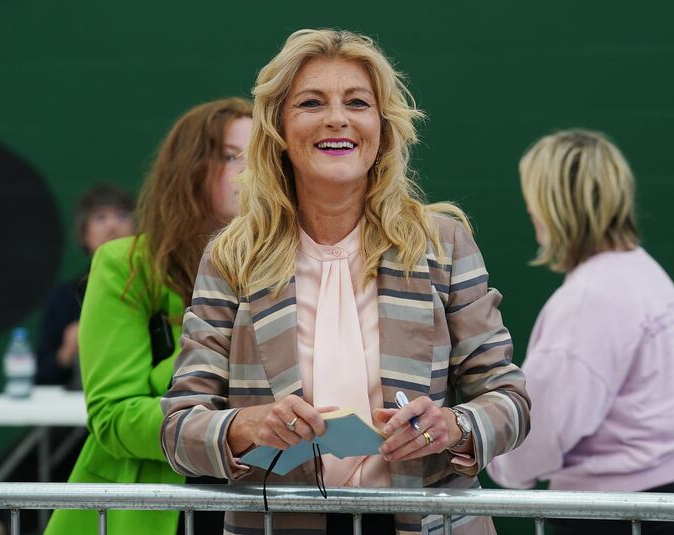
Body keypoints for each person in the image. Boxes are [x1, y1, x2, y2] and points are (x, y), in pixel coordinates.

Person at [161, 29, 530, 535]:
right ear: (278, 130)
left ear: (381, 126)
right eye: (312, 103)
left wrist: (454, 427)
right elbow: (179, 427)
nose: (338, 117)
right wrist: (246, 426)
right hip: (277, 524)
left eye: (357, 102)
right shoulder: (232, 258)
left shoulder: (442, 245)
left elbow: (508, 398)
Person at [487, 129, 674, 535]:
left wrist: (500, 461)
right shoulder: (643, 270)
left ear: (554, 204)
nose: (529, 210)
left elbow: (541, 429)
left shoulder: (588, 300)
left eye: (534, 197)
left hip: (623, 514)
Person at [43, 97, 253, 535]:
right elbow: (112, 416)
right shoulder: (126, 263)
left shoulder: (284, 261)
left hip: (260, 501)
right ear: (191, 168)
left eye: (264, 156)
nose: (251, 172)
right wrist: (225, 429)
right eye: (233, 156)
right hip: (154, 506)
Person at [36, 183, 135, 387]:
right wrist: (66, 351)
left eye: (122, 215)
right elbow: (41, 376)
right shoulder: (63, 297)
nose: (112, 226)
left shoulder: (155, 288)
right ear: (83, 234)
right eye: (100, 217)